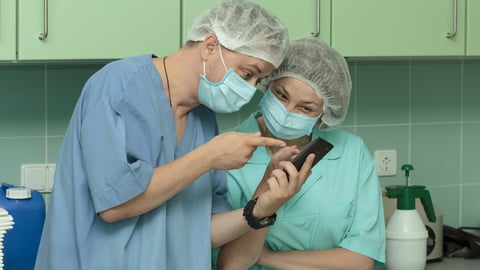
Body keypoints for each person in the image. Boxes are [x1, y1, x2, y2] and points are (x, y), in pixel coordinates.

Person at [34, 1, 300, 269]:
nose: (251, 89)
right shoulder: (118, 86)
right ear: (209, 47)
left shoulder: (203, 118)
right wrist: (209, 156)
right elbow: (114, 207)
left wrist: (261, 206)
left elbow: (200, 232)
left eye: (259, 81)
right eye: (247, 74)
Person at [213, 37, 386, 270]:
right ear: (267, 83)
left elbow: (360, 259)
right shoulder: (225, 151)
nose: (287, 112)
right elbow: (230, 264)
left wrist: (269, 258)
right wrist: (266, 201)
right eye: (282, 95)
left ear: (324, 113)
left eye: (306, 108)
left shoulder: (352, 154)